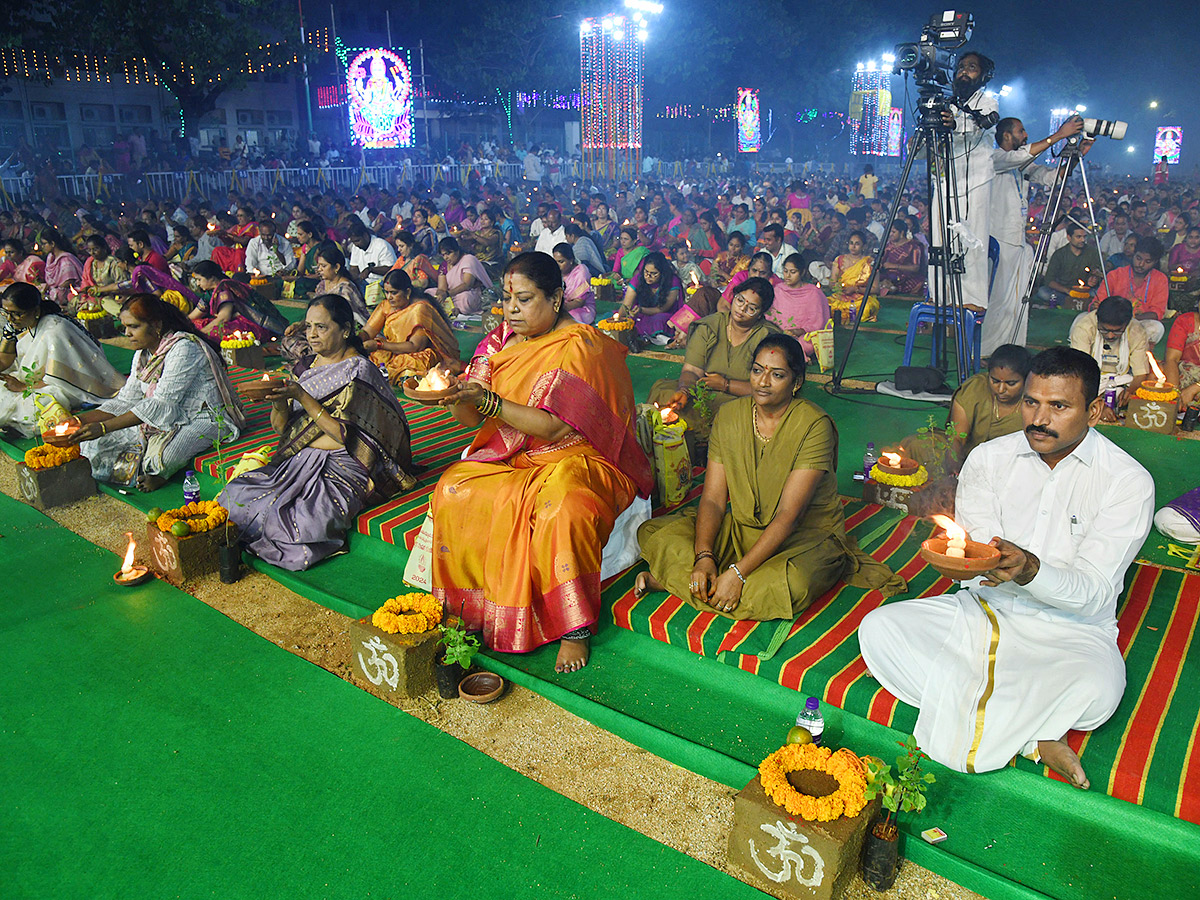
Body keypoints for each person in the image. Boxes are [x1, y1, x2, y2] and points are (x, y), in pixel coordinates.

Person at [859, 347, 1154, 787]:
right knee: (880, 630)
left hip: (1070, 631)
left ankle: (967, 695)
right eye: (1031, 402)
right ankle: (1034, 739)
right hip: (986, 611)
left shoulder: (1127, 482)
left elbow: (1093, 592)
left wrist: (1031, 569)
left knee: (1099, 692)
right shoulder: (989, 458)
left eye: (1058, 406)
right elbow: (979, 556)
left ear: (1093, 410)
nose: (1039, 418)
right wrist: (968, 562)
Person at [431, 251, 652, 673]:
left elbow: (553, 428)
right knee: (453, 488)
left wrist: (489, 400)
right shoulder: (497, 341)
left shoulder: (581, 345)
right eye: (506, 298)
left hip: (579, 455)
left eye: (524, 299)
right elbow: (473, 417)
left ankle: (574, 627)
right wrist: (455, 398)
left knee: (563, 509)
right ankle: (472, 608)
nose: (511, 310)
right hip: (515, 453)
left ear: (556, 299)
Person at [636, 334, 904, 618]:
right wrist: (703, 558)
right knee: (653, 533)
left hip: (802, 538)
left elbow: (789, 515)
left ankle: (680, 583)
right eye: (757, 370)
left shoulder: (814, 426)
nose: (763, 382)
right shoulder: (729, 416)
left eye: (777, 375)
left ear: (796, 382)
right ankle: (702, 580)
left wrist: (738, 573)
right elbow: (713, 500)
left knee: (791, 585)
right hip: (742, 530)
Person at [220, 294, 413, 570]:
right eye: (308, 326)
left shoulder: (359, 371)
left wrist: (301, 395)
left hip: (346, 465)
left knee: (302, 524)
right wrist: (279, 401)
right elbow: (281, 428)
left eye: (321, 327)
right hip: (299, 459)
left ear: (345, 330)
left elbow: (343, 435)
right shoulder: (306, 366)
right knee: (236, 497)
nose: (311, 335)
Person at [72, 294, 245, 491]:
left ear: (156, 325)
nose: (127, 333)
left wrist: (103, 427)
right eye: (125, 327)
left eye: (134, 326)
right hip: (164, 416)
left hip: (204, 416)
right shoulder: (142, 353)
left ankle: (159, 476)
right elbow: (127, 400)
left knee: (163, 458)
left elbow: (161, 404)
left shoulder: (184, 348)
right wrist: (80, 422)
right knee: (93, 443)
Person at [986, 116, 1086, 354]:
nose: (1026, 135)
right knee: (998, 301)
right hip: (998, 241)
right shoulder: (994, 158)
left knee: (1018, 302)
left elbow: (1052, 177)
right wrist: (1059, 135)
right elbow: (1020, 157)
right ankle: (986, 350)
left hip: (1018, 242)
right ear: (1007, 135)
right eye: (1021, 131)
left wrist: (1077, 154)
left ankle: (1011, 350)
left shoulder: (1023, 165)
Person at [649, 276, 781, 439]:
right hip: (704, 392)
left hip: (744, 400)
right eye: (740, 301)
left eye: (751, 308)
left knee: (746, 414)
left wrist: (726, 385)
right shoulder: (709, 326)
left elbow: (771, 389)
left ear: (761, 313)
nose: (741, 309)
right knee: (663, 393)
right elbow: (692, 370)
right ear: (733, 297)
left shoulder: (769, 339)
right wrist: (684, 390)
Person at [0, 283, 123, 436]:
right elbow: (5, 358)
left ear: (36, 311)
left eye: (17, 313)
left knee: (37, 406)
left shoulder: (55, 330)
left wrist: (24, 388)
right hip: (32, 379)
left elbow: (62, 377)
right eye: (6, 313)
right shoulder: (15, 324)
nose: (10, 319)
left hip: (69, 384)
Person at [932, 52, 999, 313]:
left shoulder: (988, 103)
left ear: (983, 76)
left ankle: (974, 299)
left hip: (976, 181)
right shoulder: (945, 103)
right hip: (946, 180)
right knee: (940, 238)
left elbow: (977, 127)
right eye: (961, 67)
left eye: (971, 68)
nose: (964, 71)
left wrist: (954, 125)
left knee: (973, 240)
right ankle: (939, 295)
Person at [361, 269, 462, 380]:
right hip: (393, 349)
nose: (389, 297)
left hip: (417, 353)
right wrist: (354, 340)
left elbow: (415, 346)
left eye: (394, 293)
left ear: (408, 292)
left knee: (412, 363)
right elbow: (367, 332)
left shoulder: (420, 309)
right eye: (386, 292)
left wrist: (379, 345)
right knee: (373, 357)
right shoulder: (386, 305)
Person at [282, 243, 369, 361]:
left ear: (336, 267)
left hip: (336, 333)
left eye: (323, 266)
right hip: (320, 329)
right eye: (318, 266)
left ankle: (312, 358)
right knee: (289, 340)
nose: (319, 270)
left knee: (322, 345)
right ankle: (310, 357)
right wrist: (299, 325)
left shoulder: (345, 289)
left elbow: (352, 320)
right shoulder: (322, 285)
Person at [1069, 296, 1150, 421]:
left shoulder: (1136, 330)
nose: (1110, 336)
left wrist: (1131, 390)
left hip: (1119, 380)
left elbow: (1140, 373)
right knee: (1073, 391)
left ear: (1127, 324)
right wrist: (1097, 404)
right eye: (1105, 330)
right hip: (1088, 378)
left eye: (1117, 331)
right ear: (1098, 320)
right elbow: (1080, 370)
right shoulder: (1084, 327)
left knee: (1143, 386)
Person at [948, 343, 1032, 460]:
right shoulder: (975, 388)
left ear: (1027, 380)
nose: (1001, 389)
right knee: (918, 446)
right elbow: (957, 438)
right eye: (995, 381)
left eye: (1011, 383)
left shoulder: (1034, 401)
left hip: (1014, 464)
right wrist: (953, 463)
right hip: (968, 458)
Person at [1092, 236, 1169, 343]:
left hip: (1138, 323)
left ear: (1155, 262)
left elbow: (1156, 313)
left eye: (1147, 261)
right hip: (1110, 323)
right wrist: (1095, 306)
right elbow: (1097, 302)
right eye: (1138, 258)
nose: (1141, 264)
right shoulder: (1115, 275)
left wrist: (1129, 319)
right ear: (1133, 255)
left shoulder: (1160, 279)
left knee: (1156, 327)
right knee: (1083, 319)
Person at [189, 260, 287, 341]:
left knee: (217, 332)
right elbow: (194, 316)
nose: (197, 284)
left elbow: (223, 319)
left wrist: (199, 334)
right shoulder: (209, 293)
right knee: (195, 324)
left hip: (252, 325)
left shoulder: (224, 289)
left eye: (199, 280)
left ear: (212, 278)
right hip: (232, 321)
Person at [88, 247, 199, 311]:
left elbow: (157, 293)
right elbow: (119, 286)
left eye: (118, 262)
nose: (117, 265)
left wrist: (98, 290)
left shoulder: (139, 272)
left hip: (169, 300)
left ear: (125, 262)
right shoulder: (137, 272)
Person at [766, 253, 830, 361]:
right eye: (785, 271)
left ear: (802, 272)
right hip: (781, 333)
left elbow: (817, 322)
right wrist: (782, 330)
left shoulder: (813, 292)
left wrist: (799, 331)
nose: (788, 276)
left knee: (807, 343)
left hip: (804, 336)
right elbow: (771, 316)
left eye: (793, 272)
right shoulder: (778, 290)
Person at [1036, 221, 1102, 307]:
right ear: (1069, 237)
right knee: (1043, 292)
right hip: (1063, 291)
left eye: (1084, 237)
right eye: (1078, 237)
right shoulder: (1059, 254)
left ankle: (1072, 303)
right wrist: (1068, 291)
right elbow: (1049, 280)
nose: (1082, 240)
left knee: (1097, 293)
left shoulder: (1092, 252)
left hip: (1085, 292)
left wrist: (1093, 279)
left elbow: (1096, 273)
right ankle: (1071, 302)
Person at [619, 250, 680, 339]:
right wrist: (617, 320)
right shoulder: (638, 279)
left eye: (654, 273)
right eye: (646, 271)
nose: (648, 276)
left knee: (660, 319)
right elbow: (626, 305)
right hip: (640, 314)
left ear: (662, 273)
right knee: (630, 320)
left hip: (663, 314)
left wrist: (641, 310)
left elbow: (663, 308)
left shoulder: (672, 281)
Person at [829, 231, 880, 322]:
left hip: (860, 297)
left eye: (857, 244)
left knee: (866, 307)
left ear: (863, 246)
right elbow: (832, 283)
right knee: (827, 304)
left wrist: (855, 289)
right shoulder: (839, 259)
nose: (853, 246)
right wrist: (839, 288)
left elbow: (875, 289)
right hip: (841, 295)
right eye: (851, 243)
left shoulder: (870, 262)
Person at [435, 237, 493, 316]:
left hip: (468, 292)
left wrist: (447, 294)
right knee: (428, 293)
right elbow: (441, 288)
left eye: (448, 253)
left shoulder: (468, 259)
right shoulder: (444, 265)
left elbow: (467, 285)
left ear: (457, 250)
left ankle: (455, 310)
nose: (446, 257)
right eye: (443, 255)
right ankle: (452, 309)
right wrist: (440, 296)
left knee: (465, 299)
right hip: (450, 295)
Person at [345, 221, 397, 306]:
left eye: (358, 241)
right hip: (364, 284)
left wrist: (370, 270)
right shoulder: (355, 247)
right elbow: (353, 268)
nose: (356, 244)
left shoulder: (381, 245)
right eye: (354, 242)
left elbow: (391, 269)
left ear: (365, 235)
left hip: (381, 284)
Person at [39, 229, 84, 309]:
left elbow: (68, 281)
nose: (42, 247)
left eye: (44, 244)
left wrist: (55, 292)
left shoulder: (65, 260)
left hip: (68, 294)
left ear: (52, 243)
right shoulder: (50, 257)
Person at [1164, 307, 1200, 408]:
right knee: (1154, 378)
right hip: (1183, 374)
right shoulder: (1186, 321)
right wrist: (1175, 393)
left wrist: (1195, 388)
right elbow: (1172, 359)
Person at [552, 242, 596, 325]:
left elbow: (580, 302)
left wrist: (560, 308)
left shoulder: (581, 272)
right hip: (562, 305)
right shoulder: (556, 272)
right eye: (555, 262)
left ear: (571, 261)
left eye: (561, 262)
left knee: (570, 318)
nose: (557, 265)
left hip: (582, 308)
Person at [880, 221, 924, 297]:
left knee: (918, 284)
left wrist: (895, 266)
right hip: (890, 278)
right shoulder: (888, 245)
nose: (890, 234)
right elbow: (881, 261)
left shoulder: (913, 246)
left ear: (902, 233)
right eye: (889, 232)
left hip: (908, 279)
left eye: (893, 232)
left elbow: (915, 268)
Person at [391, 230, 440, 294]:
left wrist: (401, 283)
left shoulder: (419, 261)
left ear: (411, 245)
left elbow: (423, 283)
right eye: (398, 246)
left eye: (402, 246)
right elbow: (390, 275)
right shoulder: (401, 260)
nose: (399, 249)